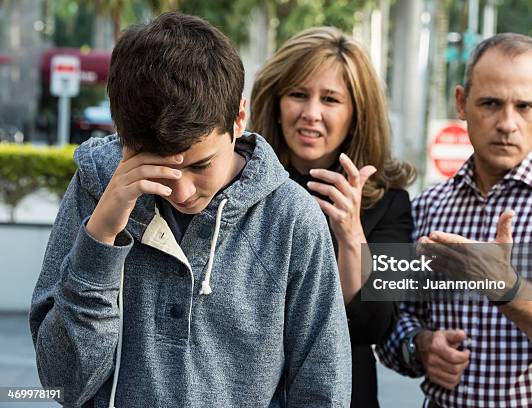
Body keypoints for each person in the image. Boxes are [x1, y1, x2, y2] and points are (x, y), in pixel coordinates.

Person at [29, 13, 351, 407]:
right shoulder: (95, 191)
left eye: (200, 165)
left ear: (239, 117)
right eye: (156, 168)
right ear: (122, 135)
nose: (181, 191)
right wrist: (99, 240)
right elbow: (63, 385)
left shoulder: (292, 218)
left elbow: (323, 388)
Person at [377, 32, 532, 407]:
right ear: (461, 102)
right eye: (490, 103)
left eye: (525, 107)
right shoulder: (425, 208)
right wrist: (421, 346)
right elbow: (389, 325)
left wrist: (504, 285)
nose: (507, 123)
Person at [250, 27, 415, 407]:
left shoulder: (392, 203)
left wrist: (350, 234)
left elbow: (375, 326)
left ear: (356, 112)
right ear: (275, 101)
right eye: (297, 95)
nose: (311, 114)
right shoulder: (241, 183)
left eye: (330, 99)